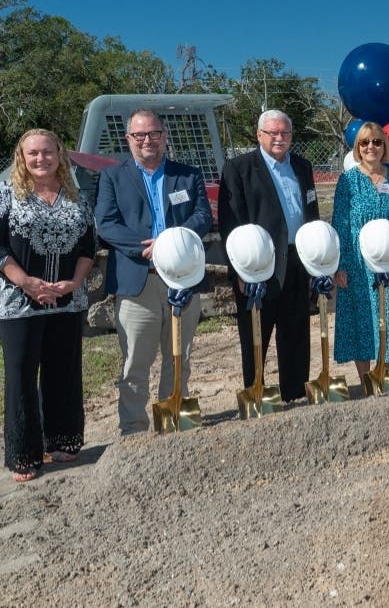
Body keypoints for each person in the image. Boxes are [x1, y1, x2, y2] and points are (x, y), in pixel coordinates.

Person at [95, 110, 212, 436]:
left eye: (154, 133)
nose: (147, 140)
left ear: (164, 135)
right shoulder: (112, 177)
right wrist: (147, 247)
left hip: (183, 280)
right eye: (139, 135)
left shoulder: (187, 175)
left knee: (180, 358)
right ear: (128, 139)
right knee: (135, 364)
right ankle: (133, 430)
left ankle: (174, 420)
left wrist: (171, 242)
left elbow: (202, 216)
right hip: (138, 282)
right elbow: (106, 224)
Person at [1, 130, 95, 482]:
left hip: (67, 301)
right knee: (22, 376)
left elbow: (88, 247)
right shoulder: (6, 194)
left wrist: (73, 283)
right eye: (33, 154)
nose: (41, 159)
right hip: (18, 302)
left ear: (59, 154)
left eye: (47, 152)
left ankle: (63, 438)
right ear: (21, 158)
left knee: (64, 371)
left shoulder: (77, 197)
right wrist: (26, 282)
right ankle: (24, 454)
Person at [219, 109, 320, 405]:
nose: (279, 138)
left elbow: (311, 211)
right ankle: (257, 394)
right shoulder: (238, 168)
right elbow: (231, 223)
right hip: (257, 267)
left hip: (298, 263)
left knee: (296, 334)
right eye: (273, 133)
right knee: (255, 336)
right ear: (259, 135)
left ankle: (295, 393)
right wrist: (239, 270)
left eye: (285, 133)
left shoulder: (302, 166)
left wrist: (315, 259)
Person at [332, 122, 389, 386]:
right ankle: (366, 378)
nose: (371, 147)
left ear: (385, 147)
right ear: (358, 148)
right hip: (357, 263)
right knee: (362, 317)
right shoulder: (348, 181)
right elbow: (340, 224)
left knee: (388, 315)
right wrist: (340, 264)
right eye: (365, 142)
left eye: (377, 142)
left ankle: (384, 370)